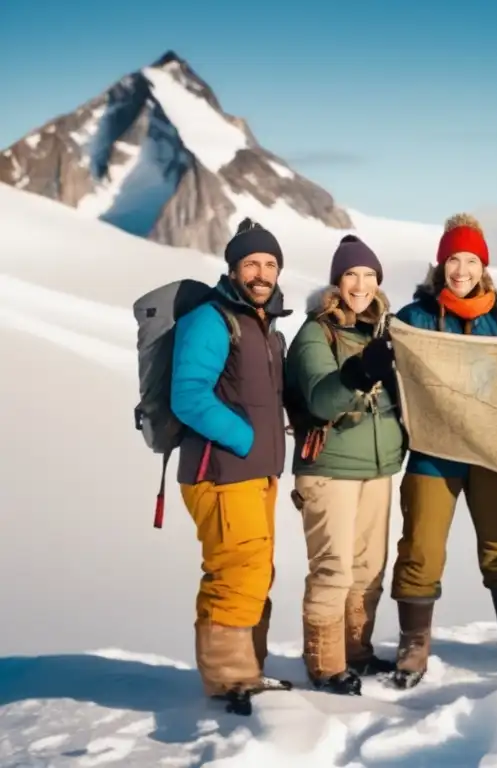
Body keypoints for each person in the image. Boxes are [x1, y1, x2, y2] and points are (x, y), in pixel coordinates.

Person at [388, 213, 497, 689]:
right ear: (440, 264)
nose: (461, 269)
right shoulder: (414, 318)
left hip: (491, 452)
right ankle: (414, 644)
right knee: (422, 546)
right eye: (453, 259)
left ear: (483, 266)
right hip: (435, 451)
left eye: (470, 260)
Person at [170, 218, 292, 714]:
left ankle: (243, 671)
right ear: (233, 268)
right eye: (251, 263)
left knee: (250, 570)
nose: (261, 273)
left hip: (253, 472)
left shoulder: (262, 325)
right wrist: (245, 439)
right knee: (236, 571)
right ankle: (228, 679)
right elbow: (188, 395)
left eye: (269, 264)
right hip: (220, 471)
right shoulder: (211, 319)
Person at [283, 234, 406, 696]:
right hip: (329, 466)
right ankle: (325, 663)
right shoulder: (317, 332)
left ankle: (356, 650)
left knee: (370, 564)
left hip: (377, 468)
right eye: (352, 274)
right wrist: (361, 371)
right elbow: (319, 397)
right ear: (337, 282)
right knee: (333, 567)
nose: (361, 284)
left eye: (370, 275)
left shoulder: (382, 330)